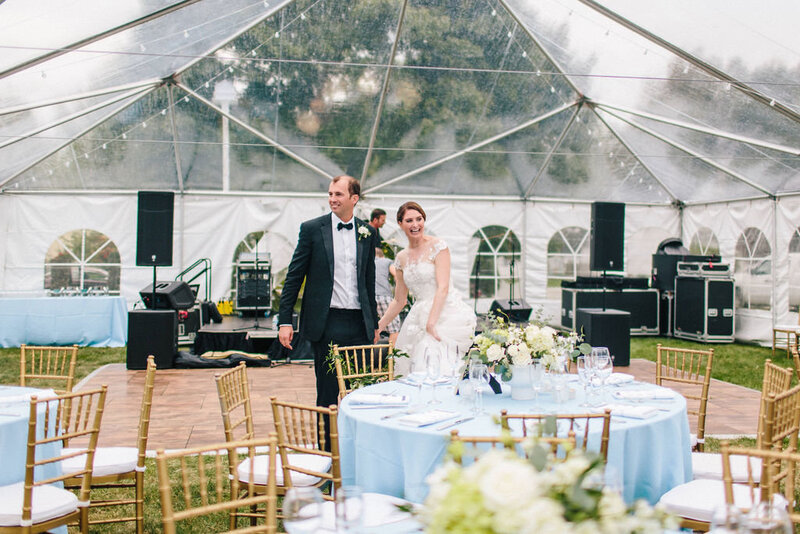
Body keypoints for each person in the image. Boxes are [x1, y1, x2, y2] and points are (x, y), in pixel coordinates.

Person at [278, 175, 378, 413]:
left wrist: (373, 322)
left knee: (360, 392)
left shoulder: (367, 232)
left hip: (358, 323)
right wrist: (284, 320)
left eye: (339, 194)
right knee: (327, 392)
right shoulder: (312, 229)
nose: (333, 199)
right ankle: (327, 448)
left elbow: (369, 280)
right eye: (331, 194)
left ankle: (354, 447)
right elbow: (294, 276)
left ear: (354, 198)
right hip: (327, 322)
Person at [375, 202, 476, 377]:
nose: (415, 225)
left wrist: (431, 323)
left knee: (436, 361)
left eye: (419, 219)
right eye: (409, 220)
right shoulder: (401, 258)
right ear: (400, 224)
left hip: (444, 313)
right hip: (417, 316)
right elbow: (399, 300)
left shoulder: (438, 246)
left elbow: (443, 287)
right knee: (413, 367)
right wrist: (378, 327)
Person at [375, 249, 400, 346]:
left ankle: (369, 358)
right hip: (383, 296)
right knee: (394, 329)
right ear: (382, 256)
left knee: (372, 329)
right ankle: (392, 358)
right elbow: (396, 274)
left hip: (367, 299)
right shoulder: (386, 261)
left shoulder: (365, 261)